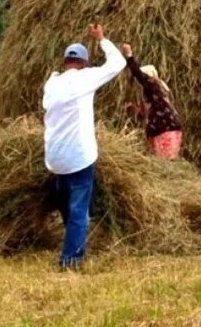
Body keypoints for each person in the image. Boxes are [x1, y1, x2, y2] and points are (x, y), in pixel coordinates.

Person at [42, 23, 126, 269]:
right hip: (78, 156)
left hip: (55, 157)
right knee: (79, 209)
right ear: (85, 63)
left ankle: (72, 238)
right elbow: (117, 63)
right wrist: (101, 38)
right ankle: (71, 259)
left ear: (65, 61)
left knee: (68, 203)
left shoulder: (52, 84)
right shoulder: (85, 79)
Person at [120, 43, 183, 159]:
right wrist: (137, 111)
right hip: (162, 131)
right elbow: (153, 114)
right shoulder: (154, 94)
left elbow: (138, 74)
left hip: (165, 131)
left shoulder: (153, 85)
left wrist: (129, 55)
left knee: (165, 164)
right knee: (161, 164)